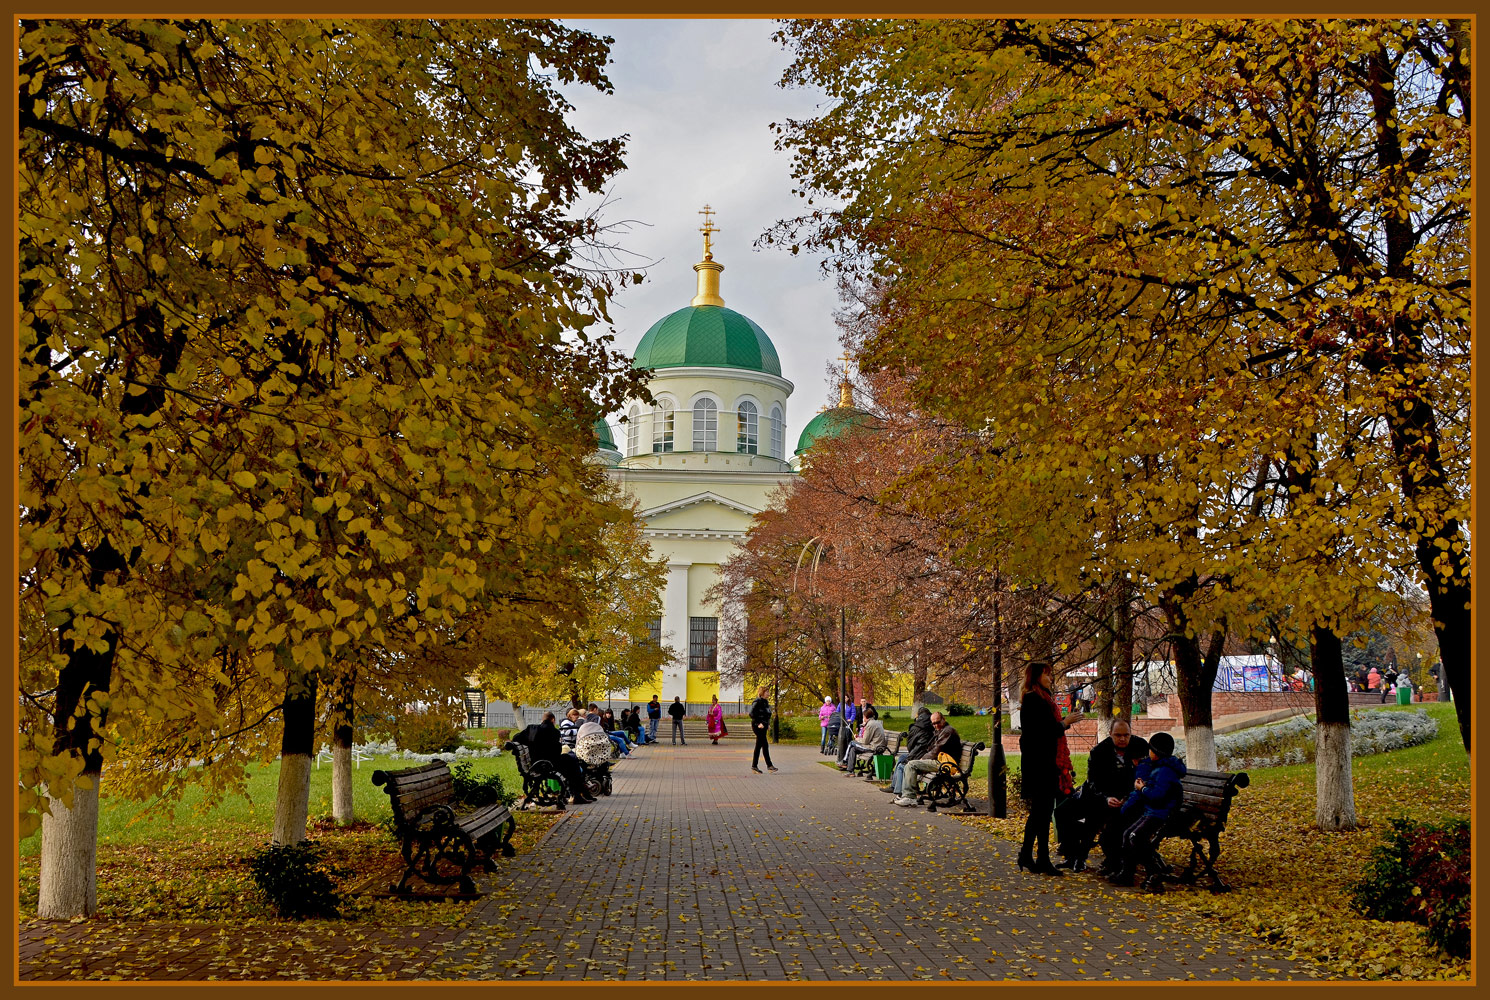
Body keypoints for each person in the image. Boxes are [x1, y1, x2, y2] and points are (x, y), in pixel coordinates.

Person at [1017, 660, 1084, 875]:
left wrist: (1064, 723)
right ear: (1036, 676)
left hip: (1043, 764)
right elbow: (1041, 733)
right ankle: (1040, 859)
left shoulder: (1041, 698)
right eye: (1047, 675)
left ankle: (1028, 855)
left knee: (1040, 813)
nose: (1050, 678)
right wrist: (1065, 723)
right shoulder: (1033, 699)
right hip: (1040, 766)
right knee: (1042, 814)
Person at [1062, 719, 1149, 872]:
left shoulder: (1140, 746)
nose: (1122, 739)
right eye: (1118, 735)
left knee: (1097, 818)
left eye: (1126, 735)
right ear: (1110, 735)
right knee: (1067, 811)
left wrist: (1127, 797)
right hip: (1104, 796)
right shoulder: (1099, 752)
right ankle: (1075, 857)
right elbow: (1093, 781)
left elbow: (1146, 776)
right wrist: (1105, 798)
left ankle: (1101, 859)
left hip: (1132, 799)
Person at [1106, 731, 1187, 886]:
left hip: (1161, 814)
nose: (1148, 753)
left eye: (1151, 749)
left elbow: (1157, 795)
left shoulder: (1164, 771)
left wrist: (1141, 789)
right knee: (1128, 834)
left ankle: (1153, 873)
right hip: (1152, 810)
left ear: (1157, 752)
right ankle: (1127, 873)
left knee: (1135, 837)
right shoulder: (1159, 767)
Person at [516, 711, 593, 804]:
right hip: (547, 764)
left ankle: (580, 793)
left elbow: (516, 738)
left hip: (534, 764)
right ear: (553, 720)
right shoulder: (554, 732)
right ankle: (579, 794)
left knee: (569, 760)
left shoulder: (531, 728)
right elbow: (557, 751)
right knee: (571, 762)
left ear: (542, 720)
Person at [894, 711, 961, 806]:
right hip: (940, 761)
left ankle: (909, 797)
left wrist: (923, 759)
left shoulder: (948, 731)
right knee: (908, 763)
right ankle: (906, 794)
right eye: (933, 723)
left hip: (945, 763)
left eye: (938, 722)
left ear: (943, 719)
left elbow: (937, 750)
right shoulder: (940, 731)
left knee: (911, 765)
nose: (936, 725)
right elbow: (931, 748)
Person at [884, 706, 934, 795]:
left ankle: (898, 790)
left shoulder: (920, 726)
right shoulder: (929, 724)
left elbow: (918, 747)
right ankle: (894, 785)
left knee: (901, 766)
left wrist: (910, 758)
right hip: (920, 753)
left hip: (922, 755)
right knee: (901, 758)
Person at [840, 706, 887, 775]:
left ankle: (844, 761)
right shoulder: (875, 722)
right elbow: (868, 738)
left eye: (863, 716)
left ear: (865, 717)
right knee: (853, 749)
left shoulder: (870, 725)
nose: (863, 718)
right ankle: (850, 771)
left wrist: (857, 739)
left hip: (874, 747)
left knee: (852, 743)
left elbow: (865, 741)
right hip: (877, 745)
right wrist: (859, 737)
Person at [749, 686, 778, 772]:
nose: (768, 694)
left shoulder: (766, 702)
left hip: (763, 726)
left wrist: (767, 724)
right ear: (762, 693)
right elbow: (751, 714)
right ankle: (769, 765)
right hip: (757, 726)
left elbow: (767, 715)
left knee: (759, 745)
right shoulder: (757, 702)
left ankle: (754, 766)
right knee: (764, 745)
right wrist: (758, 723)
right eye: (767, 692)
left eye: (768, 692)